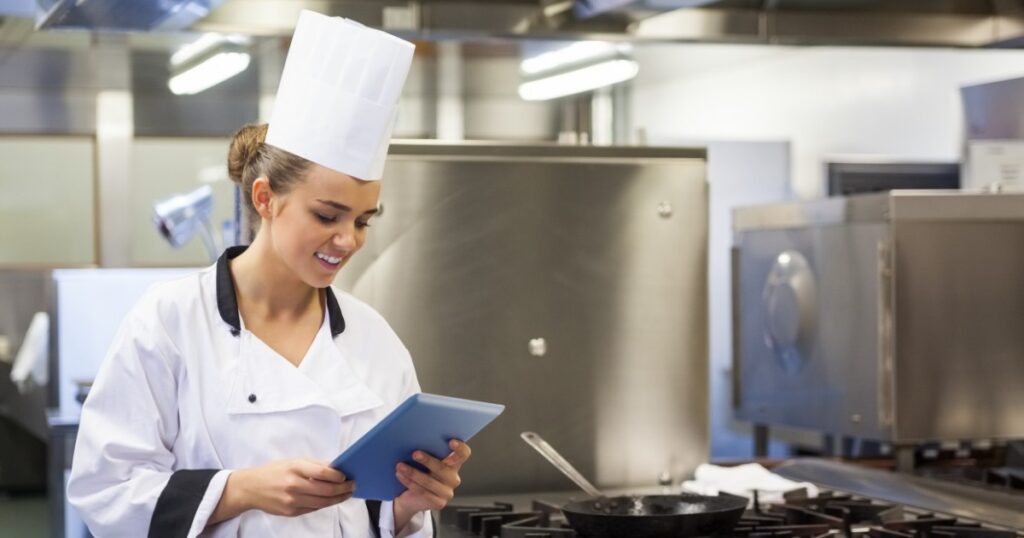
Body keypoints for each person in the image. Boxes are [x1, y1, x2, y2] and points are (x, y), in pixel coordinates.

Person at [67, 11, 466, 537]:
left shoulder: (375, 342)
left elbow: (373, 515)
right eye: (327, 216)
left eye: (363, 220)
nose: (348, 240)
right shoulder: (170, 322)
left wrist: (409, 506)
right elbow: (105, 490)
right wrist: (240, 490)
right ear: (265, 199)